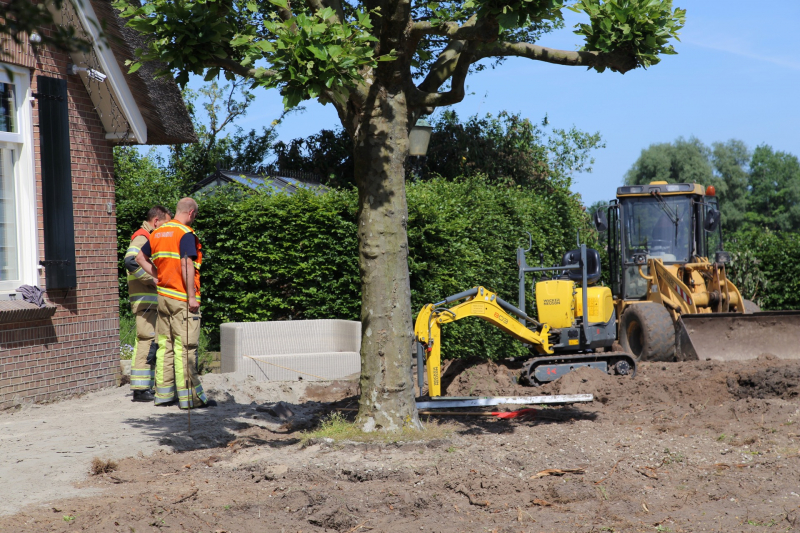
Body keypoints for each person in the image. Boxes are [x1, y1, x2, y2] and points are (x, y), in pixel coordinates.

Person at [136, 198, 212, 408]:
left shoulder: (158, 232)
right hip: (181, 299)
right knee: (186, 347)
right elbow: (187, 265)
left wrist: (158, 276)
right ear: (191, 213)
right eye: (195, 215)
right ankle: (191, 399)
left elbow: (140, 259)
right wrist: (192, 297)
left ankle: (164, 395)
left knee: (165, 346)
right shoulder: (185, 234)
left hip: (163, 298)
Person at [124, 205, 171, 402]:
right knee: (147, 341)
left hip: (148, 302)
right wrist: (154, 279)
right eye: (166, 224)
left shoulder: (147, 236)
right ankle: (141, 390)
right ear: (156, 221)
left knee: (151, 342)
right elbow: (131, 261)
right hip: (146, 301)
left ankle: (144, 388)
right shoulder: (143, 236)